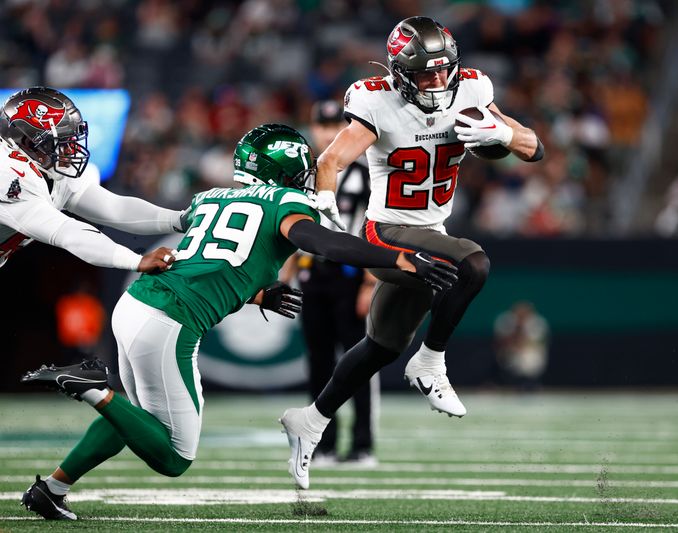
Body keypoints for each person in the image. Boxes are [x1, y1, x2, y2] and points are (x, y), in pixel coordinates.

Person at [19, 123, 457, 520]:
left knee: (134, 418)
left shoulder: (210, 197)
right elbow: (325, 243)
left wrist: (258, 292)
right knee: (175, 456)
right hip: (170, 321)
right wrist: (399, 257)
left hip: (137, 304)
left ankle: (52, 489)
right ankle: (93, 387)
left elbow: (207, 262)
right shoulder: (287, 202)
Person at [280, 15, 544, 490]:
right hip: (388, 232)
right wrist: (322, 205)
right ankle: (431, 361)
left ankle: (310, 420)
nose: (438, 81)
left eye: (443, 70)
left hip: (430, 231)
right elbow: (331, 160)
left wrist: (501, 136)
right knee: (473, 263)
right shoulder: (375, 100)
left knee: (379, 348)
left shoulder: (470, 90)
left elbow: (534, 148)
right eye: (425, 73)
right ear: (401, 74)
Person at [0, 86, 188, 274]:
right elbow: (67, 233)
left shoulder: (45, 168)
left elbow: (113, 208)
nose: (70, 151)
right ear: (28, 144)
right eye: (59, 144)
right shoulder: (9, 175)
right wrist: (135, 260)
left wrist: (179, 219)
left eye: (71, 141)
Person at [287, 100, 377, 465]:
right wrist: (286, 272)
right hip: (312, 273)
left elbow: (376, 226)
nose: (326, 133)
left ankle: (362, 444)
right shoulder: (302, 176)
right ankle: (323, 444)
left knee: (356, 364)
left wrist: (371, 283)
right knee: (319, 364)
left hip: (351, 275)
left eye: (333, 125)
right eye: (320, 125)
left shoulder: (365, 173)